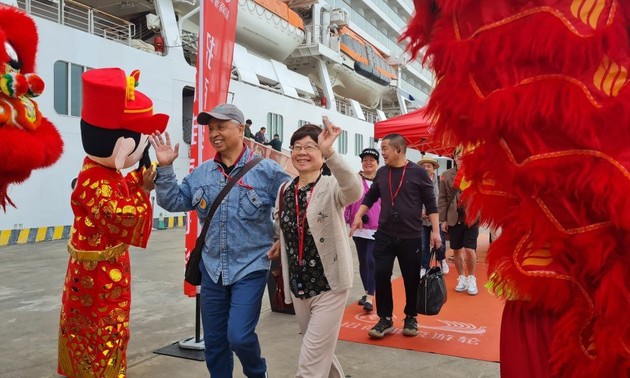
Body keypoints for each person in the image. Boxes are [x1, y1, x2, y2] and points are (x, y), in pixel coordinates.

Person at [150, 103, 290, 378]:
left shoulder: (268, 171)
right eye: (211, 128)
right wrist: (165, 168)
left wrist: (282, 239)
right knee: (214, 344)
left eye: (221, 126)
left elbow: (293, 204)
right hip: (212, 269)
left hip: (250, 267)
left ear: (241, 128)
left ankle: (256, 373)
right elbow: (173, 201)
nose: (214, 133)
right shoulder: (202, 173)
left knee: (238, 335)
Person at [58, 68, 167, 377]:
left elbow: (119, 191)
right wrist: (145, 190)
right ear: (121, 147)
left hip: (102, 272)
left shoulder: (99, 172)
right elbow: (121, 215)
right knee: (101, 331)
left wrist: (138, 180)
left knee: (99, 329)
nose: (141, 149)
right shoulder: (96, 182)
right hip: (98, 278)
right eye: (140, 142)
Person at [268, 119, 362, 378]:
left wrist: (331, 152)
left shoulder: (332, 186)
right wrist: (280, 242)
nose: (302, 152)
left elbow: (354, 190)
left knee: (309, 364)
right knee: (320, 351)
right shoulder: (284, 189)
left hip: (328, 285)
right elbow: (288, 225)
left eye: (310, 147)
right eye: (296, 147)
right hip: (299, 286)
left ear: (321, 155)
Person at [350, 134, 442, 339]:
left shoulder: (418, 173)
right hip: (384, 235)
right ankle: (385, 319)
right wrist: (358, 215)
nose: (382, 153)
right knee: (381, 275)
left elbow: (431, 204)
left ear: (398, 150)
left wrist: (435, 232)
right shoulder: (382, 173)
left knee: (411, 278)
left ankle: (411, 316)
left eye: (385, 149)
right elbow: (370, 197)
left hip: (411, 236)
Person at [344, 148, 381, 311]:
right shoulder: (355, 180)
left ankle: (371, 297)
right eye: (365, 160)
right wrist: (347, 218)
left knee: (372, 260)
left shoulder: (382, 180)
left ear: (377, 163)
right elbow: (348, 200)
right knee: (363, 262)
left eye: (371, 160)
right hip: (358, 226)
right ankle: (367, 292)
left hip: (377, 227)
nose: (368, 163)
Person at [438, 147, 479, 295]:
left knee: (469, 249)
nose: (461, 159)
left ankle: (472, 278)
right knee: (456, 249)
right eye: (458, 156)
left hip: (471, 217)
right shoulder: (446, 175)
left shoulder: (476, 174)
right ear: (454, 157)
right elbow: (442, 199)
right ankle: (461, 278)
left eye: (465, 156)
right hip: (453, 217)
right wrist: (442, 220)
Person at [418, 157, 449, 276]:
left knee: (440, 243)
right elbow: (414, 199)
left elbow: (443, 199)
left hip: (437, 218)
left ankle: (442, 260)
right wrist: (420, 212)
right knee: (423, 245)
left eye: (428, 166)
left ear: (434, 168)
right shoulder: (418, 181)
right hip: (422, 219)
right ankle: (424, 266)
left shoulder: (440, 181)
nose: (426, 169)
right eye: (423, 166)